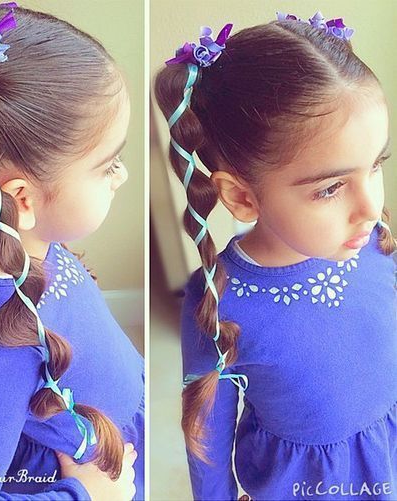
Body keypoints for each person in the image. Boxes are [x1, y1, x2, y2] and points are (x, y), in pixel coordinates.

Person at [155, 10, 396, 501]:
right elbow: (207, 437)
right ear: (241, 197)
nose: (371, 207)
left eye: (376, 165)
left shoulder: (375, 243)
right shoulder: (220, 300)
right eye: (330, 188)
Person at [0, 1, 143, 499]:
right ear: (22, 200)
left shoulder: (28, 243)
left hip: (111, 432)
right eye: (107, 165)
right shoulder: (1, 342)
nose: (121, 175)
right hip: (90, 474)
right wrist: (82, 495)